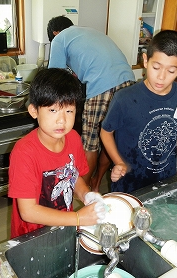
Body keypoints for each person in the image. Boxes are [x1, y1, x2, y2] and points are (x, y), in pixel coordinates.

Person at [8, 68, 106, 238]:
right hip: (31, 236)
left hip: (64, 226)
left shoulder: (73, 138)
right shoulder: (24, 152)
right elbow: (28, 212)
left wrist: (85, 194)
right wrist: (78, 217)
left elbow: (73, 176)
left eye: (69, 111)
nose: (62, 120)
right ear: (34, 111)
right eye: (53, 110)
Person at [47, 16, 135, 192]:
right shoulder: (88, 31)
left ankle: (82, 193)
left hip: (102, 88)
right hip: (130, 83)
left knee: (90, 144)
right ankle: (96, 183)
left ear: (55, 33)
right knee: (109, 137)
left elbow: (53, 78)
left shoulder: (59, 38)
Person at [100, 30, 177, 193]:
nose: (161, 77)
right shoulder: (124, 98)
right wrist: (119, 162)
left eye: (171, 71)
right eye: (156, 67)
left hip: (165, 178)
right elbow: (105, 132)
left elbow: (175, 132)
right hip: (129, 181)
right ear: (145, 60)